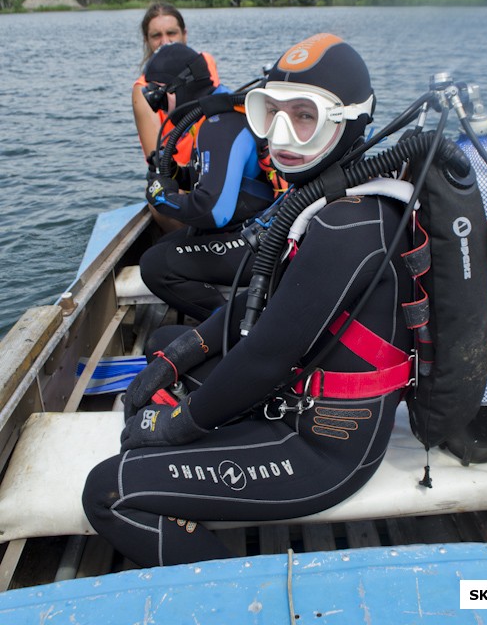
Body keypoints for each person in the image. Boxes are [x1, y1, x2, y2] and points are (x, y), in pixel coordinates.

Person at [83, 33, 414, 568]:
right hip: (297, 394)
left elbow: (263, 358)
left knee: (108, 489)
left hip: (323, 447)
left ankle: (247, 601)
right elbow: (265, 305)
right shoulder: (324, 201)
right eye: (270, 113)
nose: (281, 137)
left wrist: (179, 425)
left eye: (304, 117)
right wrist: (179, 353)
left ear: (347, 122)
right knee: (164, 342)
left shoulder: (350, 225)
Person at [139, 41, 277, 320]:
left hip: (267, 241)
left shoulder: (219, 126)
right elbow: (228, 179)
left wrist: (161, 197)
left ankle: (233, 331)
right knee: (164, 248)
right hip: (258, 227)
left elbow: (213, 211)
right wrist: (178, 175)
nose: (158, 109)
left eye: (158, 97)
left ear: (175, 89)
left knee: (155, 265)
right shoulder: (220, 116)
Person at [132, 2, 190, 163]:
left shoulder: (204, 73)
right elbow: (158, 158)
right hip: (179, 181)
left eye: (171, 33)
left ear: (184, 35)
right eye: (156, 36)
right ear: (147, 40)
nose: (165, 42)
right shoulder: (144, 91)